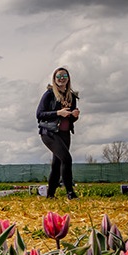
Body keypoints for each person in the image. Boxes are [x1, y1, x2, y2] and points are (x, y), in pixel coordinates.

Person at [36, 66, 80, 199]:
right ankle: (70, 193)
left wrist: (75, 116)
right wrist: (58, 113)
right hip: (49, 132)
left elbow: (70, 118)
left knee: (57, 164)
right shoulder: (49, 94)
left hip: (64, 133)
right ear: (54, 79)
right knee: (67, 159)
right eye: (58, 76)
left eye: (64, 76)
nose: (61, 79)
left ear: (68, 79)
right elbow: (39, 114)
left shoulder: (71, 96)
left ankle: (50, 195)